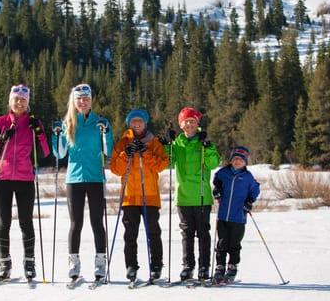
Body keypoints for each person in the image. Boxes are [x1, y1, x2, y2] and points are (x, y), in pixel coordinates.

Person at [0, 84, 50, 281]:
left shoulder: (32, 123)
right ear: (10, 101)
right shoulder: (0, 122)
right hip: (2, 178)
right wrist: (0, 140)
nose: (19, 102)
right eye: (16, 99)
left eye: (23, 100)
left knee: (26, 222)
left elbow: (45, 151)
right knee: (4, 222)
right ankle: (5, 263)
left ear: (27, 103)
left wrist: (39, 131)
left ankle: (29, 262)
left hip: (25, 178)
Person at [52, 83, 113, 282]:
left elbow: (107, 151)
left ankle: (101, 262)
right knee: (75, 223)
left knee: (97, 222)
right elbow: (60, 153)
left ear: (91, 100)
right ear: (74, 101)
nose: (83, 102)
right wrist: (57, 136)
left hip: (95, 177)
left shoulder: (100, 122)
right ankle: (74, 262)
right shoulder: (67, 123)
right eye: (79, 98)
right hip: (74, 179)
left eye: (86, 98)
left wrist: (106, 133)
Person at [160, 107, 221, 281]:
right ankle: (188, 266)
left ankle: (204, 266)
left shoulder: (204, 142)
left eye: (192, 121)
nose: (189, 124)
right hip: (183, 196)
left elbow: (213, 163)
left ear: (197, 124)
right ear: (181, 124)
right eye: (186, 121)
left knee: (203, 232)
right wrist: (166, 144)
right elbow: (167, 163)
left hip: (201, 195)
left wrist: (208, 147)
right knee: (187, 234)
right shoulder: (177, 144)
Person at [110, 109, 169, 282]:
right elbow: (115, 169)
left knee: (153, 232)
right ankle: (131, 266)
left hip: (149, 195)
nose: (137, 124)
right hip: (129, 197)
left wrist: (146, 152)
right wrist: (126, 153)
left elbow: (161, 165)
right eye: (134, 122)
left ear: (145, 123)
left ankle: (156, 265)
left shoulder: (154, 142)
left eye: (140, 121)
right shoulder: (122, 142)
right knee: (130, 234)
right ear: (129, 124)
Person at [212, 146, 260, 283]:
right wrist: (217, 190)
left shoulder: (248, 177)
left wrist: (249, 201)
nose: (237, 161)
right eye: (235, 159)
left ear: (245, 162)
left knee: (234, 244)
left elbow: (255, 190)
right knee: (221, 243)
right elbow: (216, 181)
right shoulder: (223, 172)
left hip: (238, 217)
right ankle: (220, 267)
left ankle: (232, 267)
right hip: (223, 216)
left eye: (241, 159)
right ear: (231, 160)